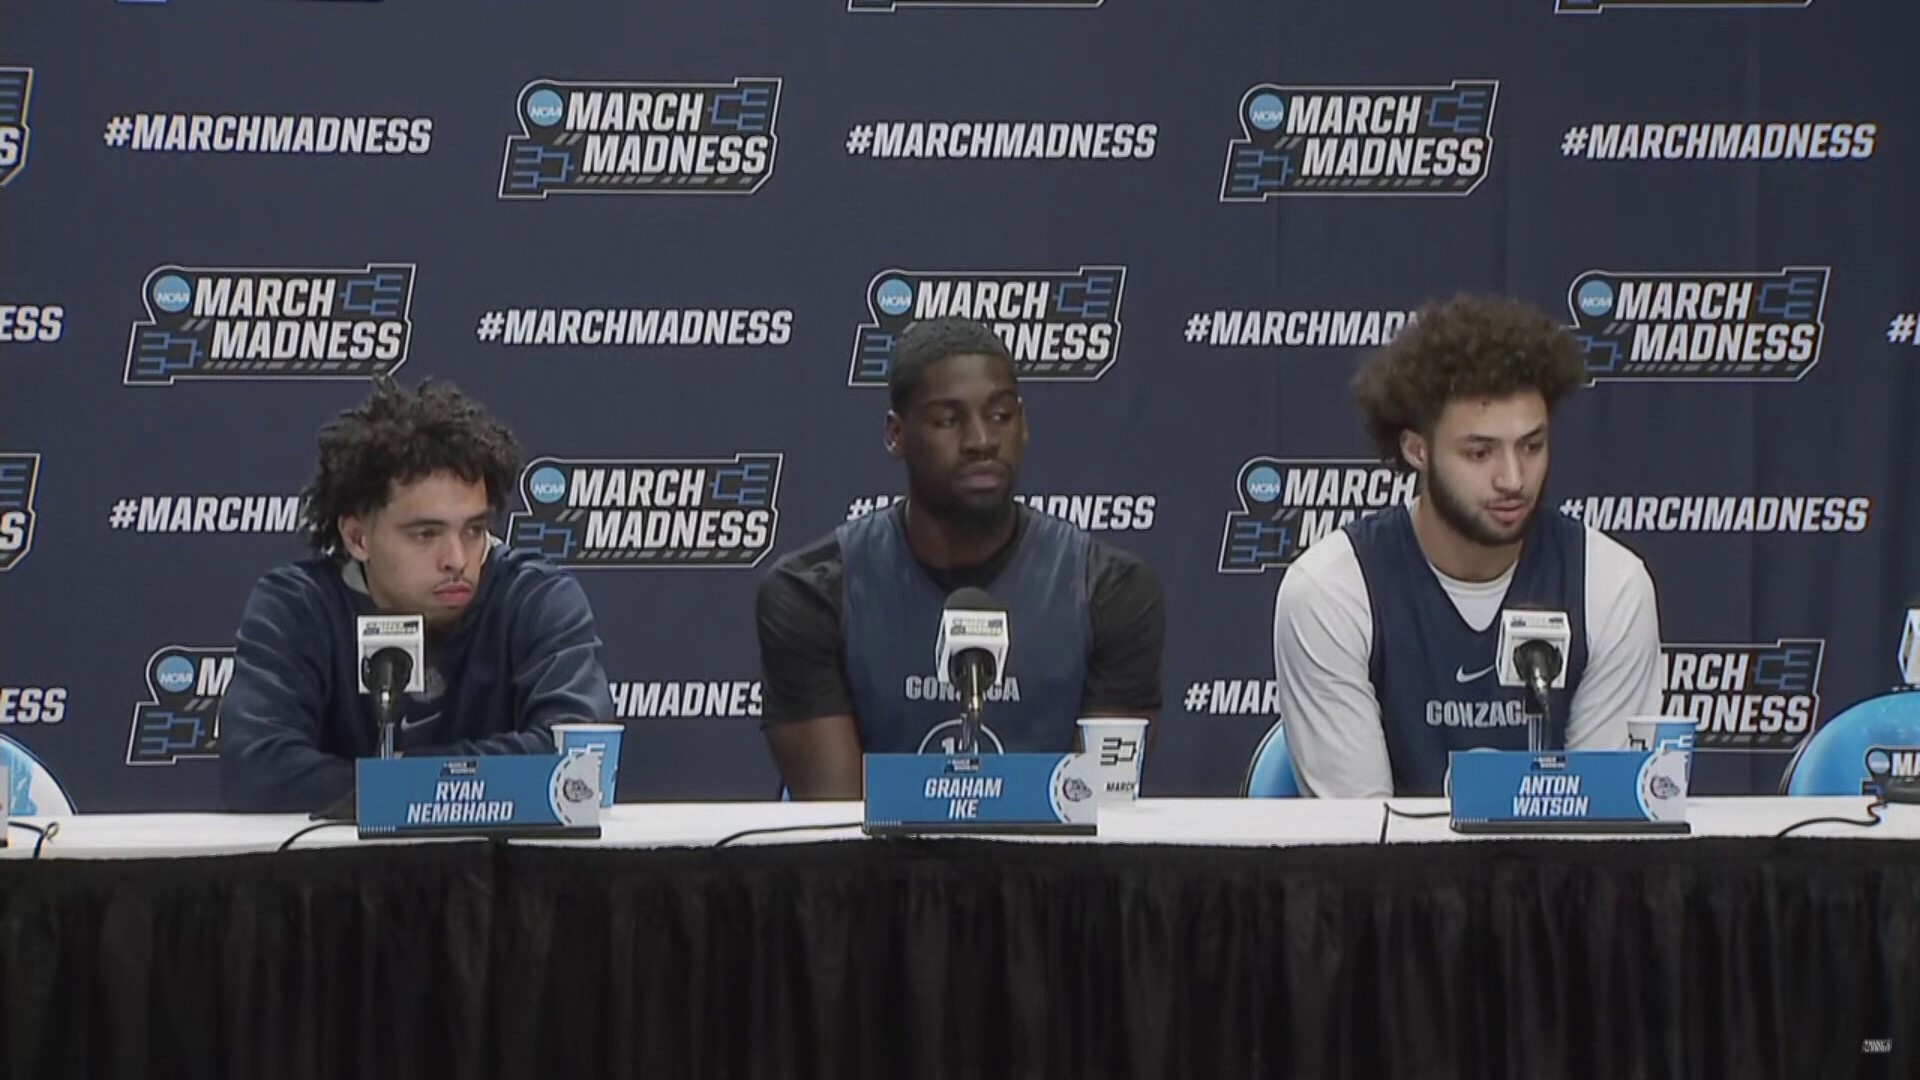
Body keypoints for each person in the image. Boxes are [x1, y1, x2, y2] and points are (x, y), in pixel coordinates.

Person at [756, 317, 1165, 799]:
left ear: (1024, 424)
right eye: (949, 420)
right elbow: (835, 822)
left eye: (1000, 415)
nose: (981, 441)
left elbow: (1099, 807)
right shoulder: (812, 595)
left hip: (1058, 875)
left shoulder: (1111, 591)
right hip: (877, 875)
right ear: (896, 434)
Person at [1272, 293, 1663, 798]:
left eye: (1532, 445)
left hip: (1565, 878)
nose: (1513, 478)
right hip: (1393, 876)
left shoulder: (1611, 584)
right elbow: (1362, 838)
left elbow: (1603, 817)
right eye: (1479, 452)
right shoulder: (1331, 593)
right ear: (1417, 450)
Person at [219, 376, 615, 812]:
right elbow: (256, 768)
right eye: (425, 534)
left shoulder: (536, 600)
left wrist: (408, 782)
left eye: (474, 530)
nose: (457, 559)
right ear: (357, 538)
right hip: (347, 877)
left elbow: (580, 763)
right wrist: (425, 787)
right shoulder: (297, 607)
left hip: (499, 874)